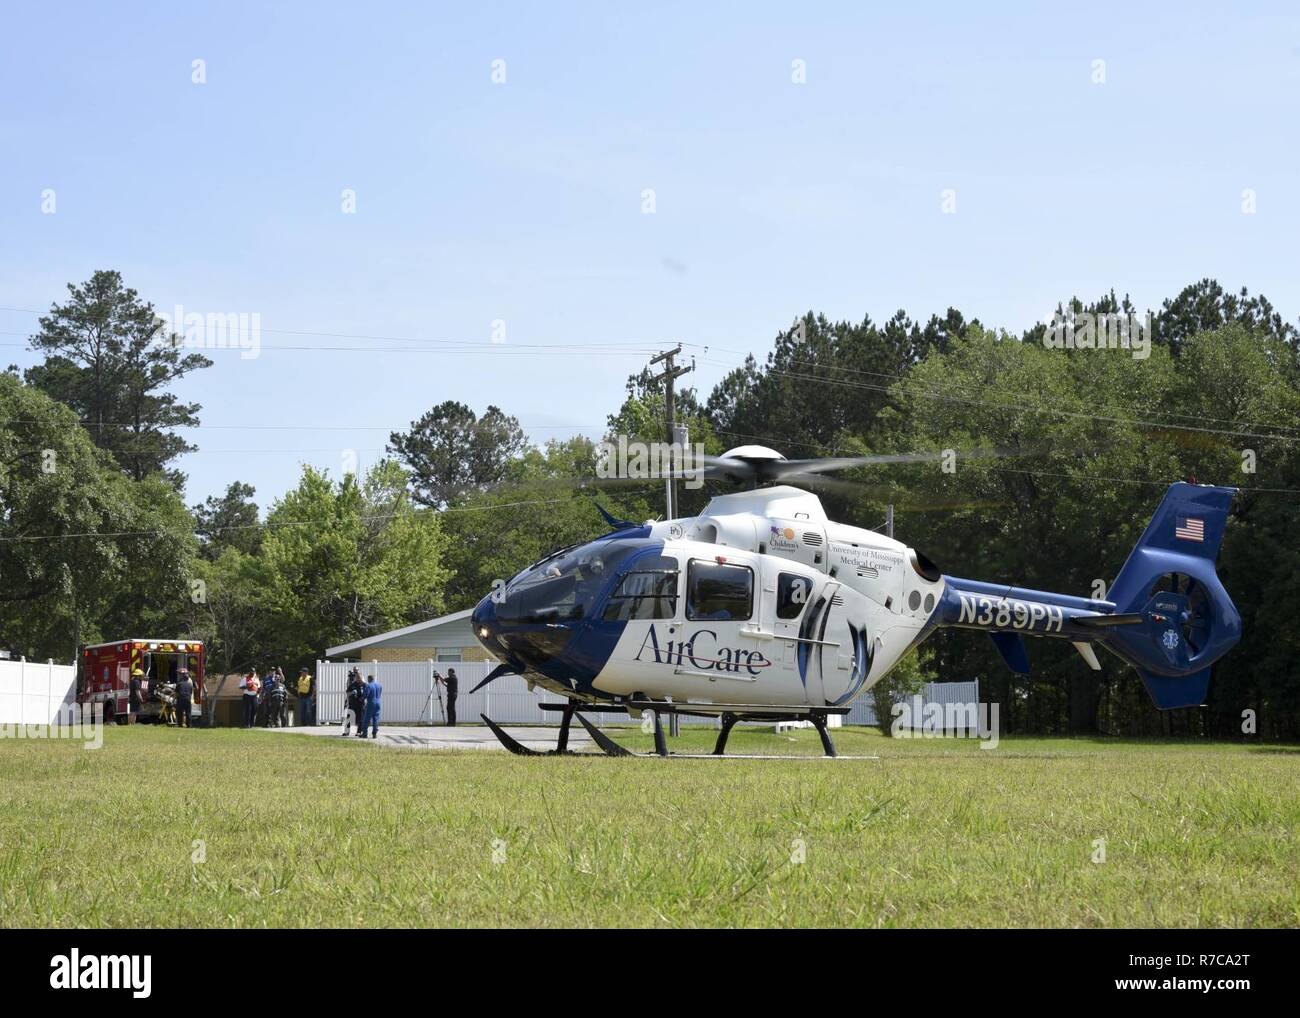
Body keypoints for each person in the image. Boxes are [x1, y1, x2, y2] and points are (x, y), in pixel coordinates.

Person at [342, 668, 366, 737]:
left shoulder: (364, 685)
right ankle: (346, 732)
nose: (358, 679)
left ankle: (359, 732)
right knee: (349, 718)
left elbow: (367, 694)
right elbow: (347, 693)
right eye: (357, 678)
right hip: (352, 704)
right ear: (355, 678)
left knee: (360, 718)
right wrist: (352, 692)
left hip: (361, 704)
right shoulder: (352, 685)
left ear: (362, 678)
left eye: (360, 678)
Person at [362, 673, 382, 739]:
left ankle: (365, 734)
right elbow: (380, 693)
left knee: (367, 718)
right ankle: (374, 734)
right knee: (376, 718)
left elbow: (365, 695)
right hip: (378, 702)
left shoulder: (369, 686)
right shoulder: (379, 685)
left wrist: (361, 698)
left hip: (371, 702)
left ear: (369, 679)